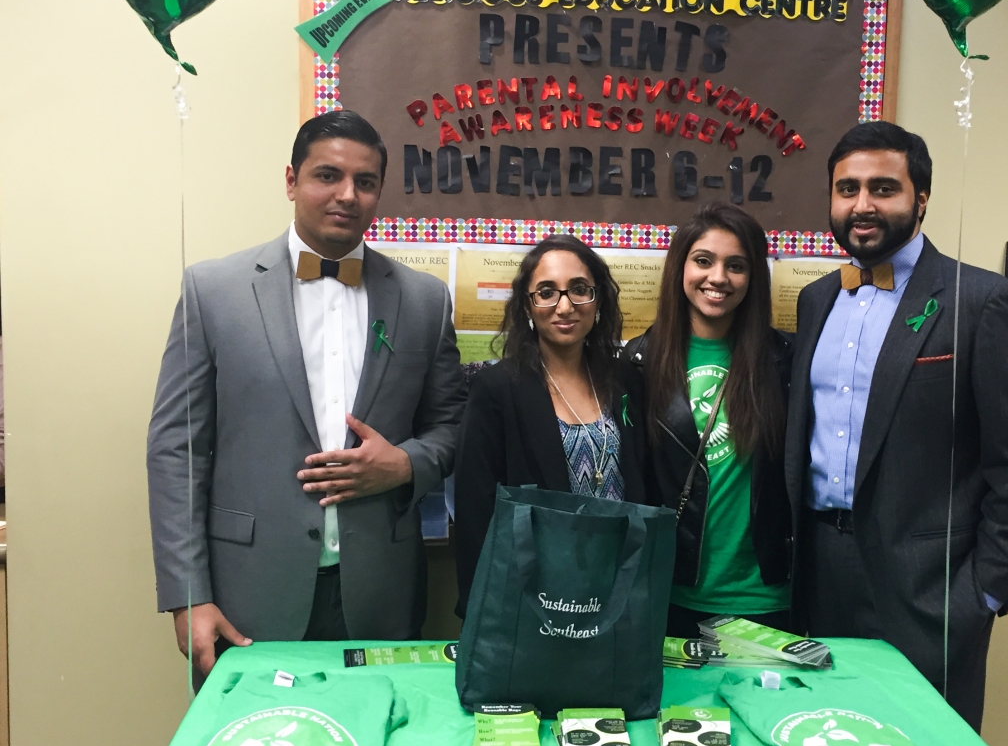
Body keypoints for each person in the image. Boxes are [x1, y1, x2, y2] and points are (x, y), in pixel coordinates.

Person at [148, 110, 465, 678]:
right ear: (291, 180)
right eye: (327, 176)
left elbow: (452, 427)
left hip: (382, 595)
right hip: (248, 596)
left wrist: (405, 465)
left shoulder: (426, 300)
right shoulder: (213, 290)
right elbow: (177, 451)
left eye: (365, 182)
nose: (347, 194)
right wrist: (187, 594)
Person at [785, 121, 1008, 731]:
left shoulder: (983, 302)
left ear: (921, 199)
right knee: (823, 740)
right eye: (846, 188)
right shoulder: (816, 300)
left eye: (883, 188)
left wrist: (982, 594)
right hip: (818, 576)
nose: (862, 205)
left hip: (928, 590)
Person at [453, 235, 647, 616]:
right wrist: (484, 604)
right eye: (546, 292)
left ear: (598, 299)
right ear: (528, 304)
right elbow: (476, 508)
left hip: (619, 585)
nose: (564, 306)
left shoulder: (626, 378)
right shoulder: (498, 388)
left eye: (579, 290)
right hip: (533, 592)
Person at [626, 202, 792, 639]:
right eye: (703, 261)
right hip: (669, 593)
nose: (718, 278)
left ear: (754, 277)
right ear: (680, 267)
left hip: (763, 598)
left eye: (736, 266)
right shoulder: (638, 362)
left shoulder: (786, 363)